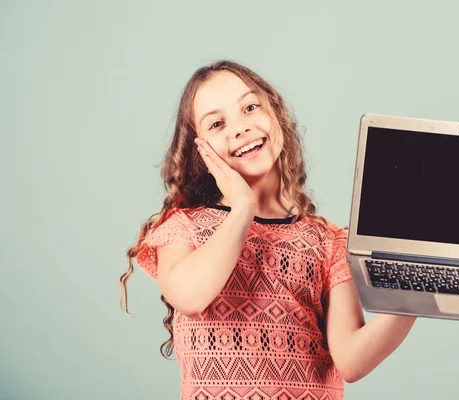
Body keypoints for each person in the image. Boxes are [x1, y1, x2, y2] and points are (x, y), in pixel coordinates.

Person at [120, 60, 416, 400]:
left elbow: (351, 361)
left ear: (277, 116)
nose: (240, 127)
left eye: (250, 107)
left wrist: (411, 298)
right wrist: (242, 208)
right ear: (200, 150)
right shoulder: (183, 227)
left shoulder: (329, 242)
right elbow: (190, 295)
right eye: (217, 124)